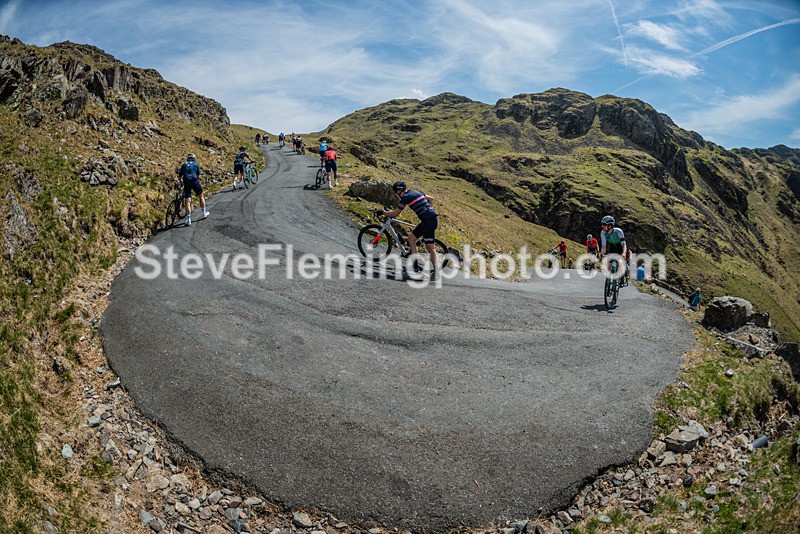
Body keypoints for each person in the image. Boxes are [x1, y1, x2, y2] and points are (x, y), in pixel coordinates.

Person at [379, 181, 440, 280]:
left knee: (430, 248)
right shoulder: (416, 192)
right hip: (428, 219)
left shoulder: (405, 198)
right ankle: (415, 266)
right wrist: (429, 210)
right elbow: (430, 198)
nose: (396, 194)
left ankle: (436, 273)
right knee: (411, 239)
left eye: (395, 192)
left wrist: (383, 212)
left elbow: (395, 214)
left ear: (399, 191)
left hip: (429, 221)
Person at [178, 153, 207, 226]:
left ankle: (188, 219)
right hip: (194, 182)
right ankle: (204, 213)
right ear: (194, 158)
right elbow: (199, 176)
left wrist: (182, 181)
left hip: (186, 183)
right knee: (200, 196)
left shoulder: (184, 164)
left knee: (188, 201)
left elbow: (180, 177)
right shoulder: (196, 164)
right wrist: (199, 179)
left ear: (187, 158)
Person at [599, 215, 627, 280]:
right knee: (609, 265)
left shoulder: (618, 231)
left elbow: (624, 245)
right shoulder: (603, 233)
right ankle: (609, 282)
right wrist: (602, 253)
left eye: (604, 225)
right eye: (602, 224)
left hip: (620, 247)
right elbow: (603, 246)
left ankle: (621, 277)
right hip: (612, 247)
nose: (602, 226)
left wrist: (624, 253)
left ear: (610, 226)